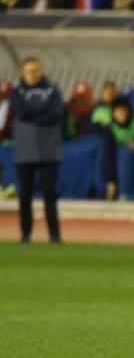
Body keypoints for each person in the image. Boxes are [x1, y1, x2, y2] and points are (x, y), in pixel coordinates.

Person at [11, 57, 64, 244]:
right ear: (23, 73)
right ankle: (25, 234)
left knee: (50, 194)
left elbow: (55, 114)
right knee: (25, 195)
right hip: (25, 150)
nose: (32, 75)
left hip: (49, 150)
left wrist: (33, 114)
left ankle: (54, 235)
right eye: (28, 71)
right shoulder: (17, 91)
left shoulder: (52, 90)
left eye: (35, 70)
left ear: (41, 71)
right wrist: (41, 108)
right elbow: (21, 112)